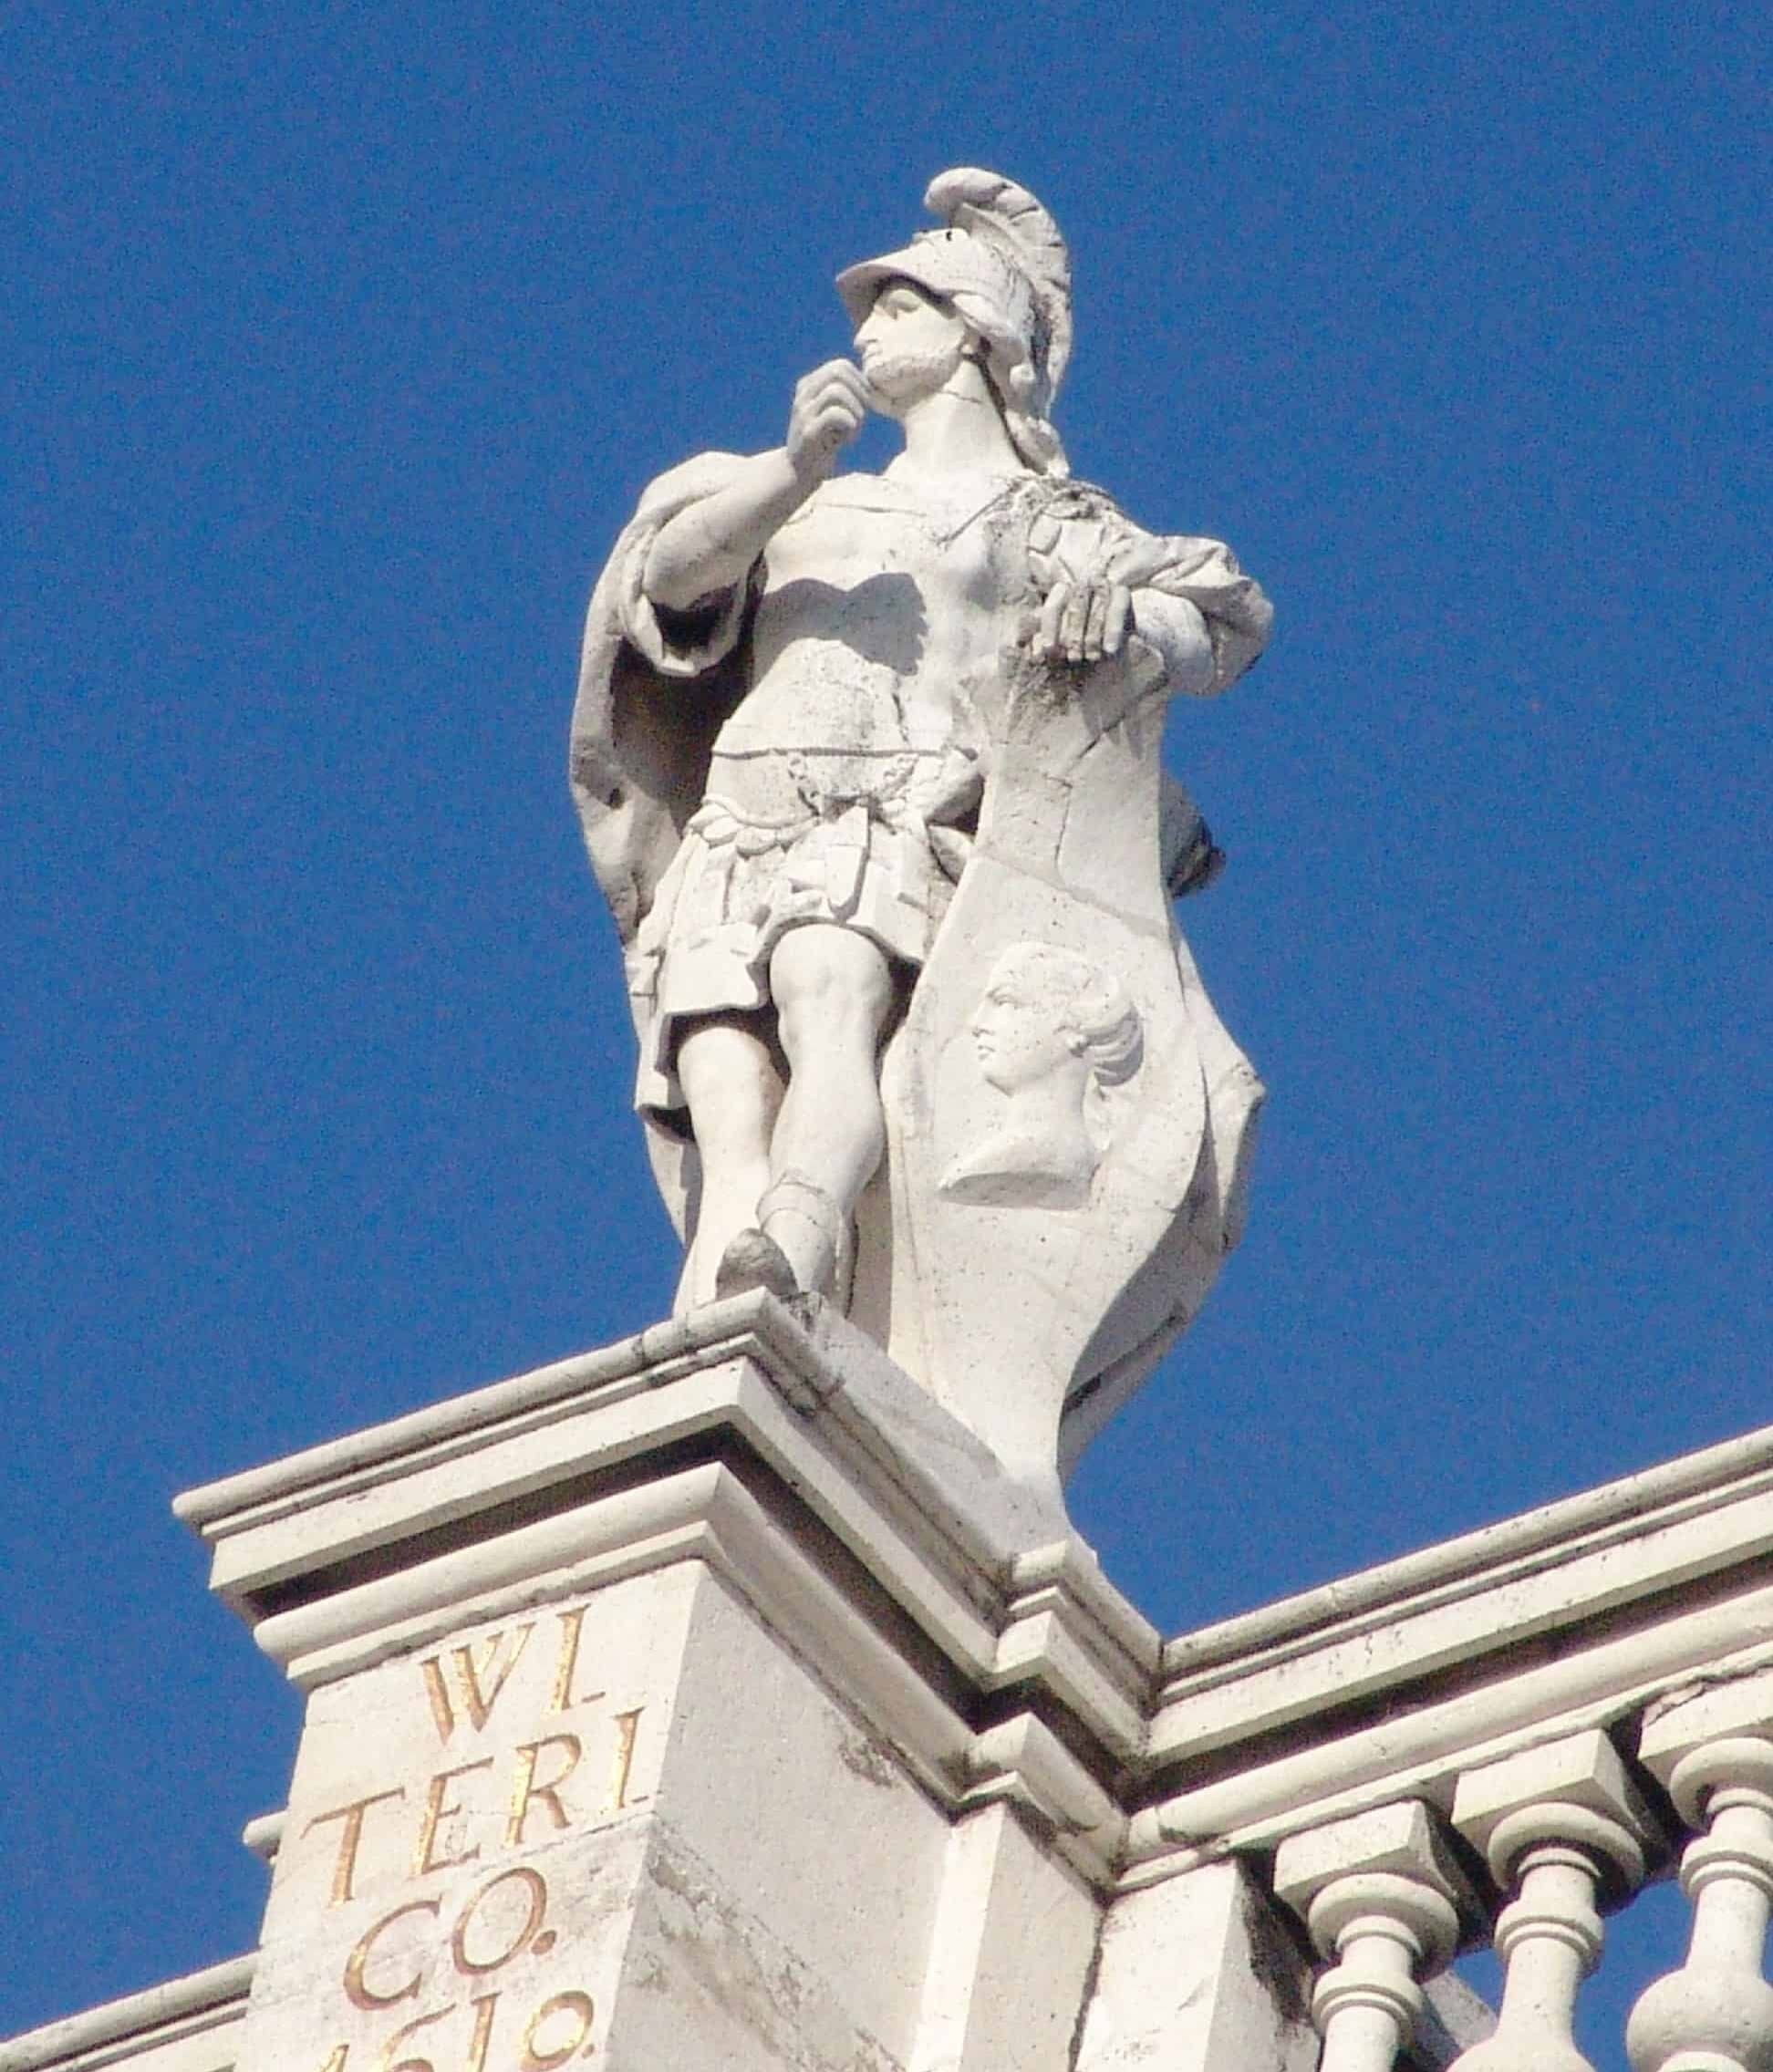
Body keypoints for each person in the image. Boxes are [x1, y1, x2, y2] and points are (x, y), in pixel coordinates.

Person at [571, 170, 1271, 1312]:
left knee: (827, 1003)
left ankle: (794, 1245)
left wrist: (1116, 620)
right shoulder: (798, 494)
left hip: (889, 819)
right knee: (726, 1093)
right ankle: (719, 1328)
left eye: (901, 305)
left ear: (974, 338)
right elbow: (671, 577)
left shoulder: (1045, 520)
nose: (866, 325)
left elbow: (1221, 618)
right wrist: (796, 467)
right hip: (748, 818)